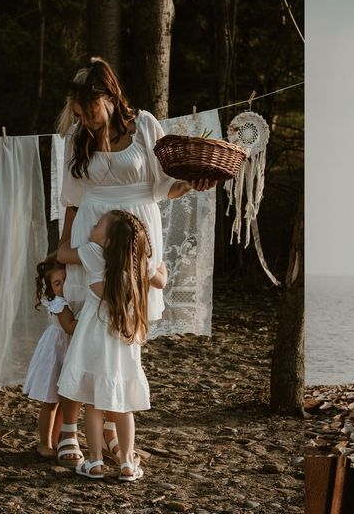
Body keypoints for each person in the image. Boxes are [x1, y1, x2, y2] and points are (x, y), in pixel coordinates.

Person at [55, 56, 216, 467]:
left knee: (123, 328)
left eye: (91, 110)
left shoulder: (144, 125)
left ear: (109, 97)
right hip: (91, 228)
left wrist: (191, 185)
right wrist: (59, 255)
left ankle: (111, 425)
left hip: (136, 236)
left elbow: (163, 188)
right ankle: (70, 430)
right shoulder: (79, 137)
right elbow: (71, 202)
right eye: (80, 113)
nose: (87, 119)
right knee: (82, 327)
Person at [57, 210, 167, 481]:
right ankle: (127, 463)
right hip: (122, 346)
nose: (93, 226)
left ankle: (94, 461)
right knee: (122, 406)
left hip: (93, 343)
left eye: (98, 225)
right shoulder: (139, 265)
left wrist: (68, 228)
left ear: (106, 241)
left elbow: (62, 255)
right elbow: (161, 277)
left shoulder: (93, 253)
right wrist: (154, 255)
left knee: (94, 404)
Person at [23, 253, 79, 460]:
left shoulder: (72, 298)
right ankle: (45, 442)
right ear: (49, 287)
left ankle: (57, 440)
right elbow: (70, 327)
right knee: (50, 401)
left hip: (70, 350)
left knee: (66, 399)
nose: (62, 286)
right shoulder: (58, 303)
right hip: (56, 350)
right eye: (57, 283)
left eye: (65, 280)